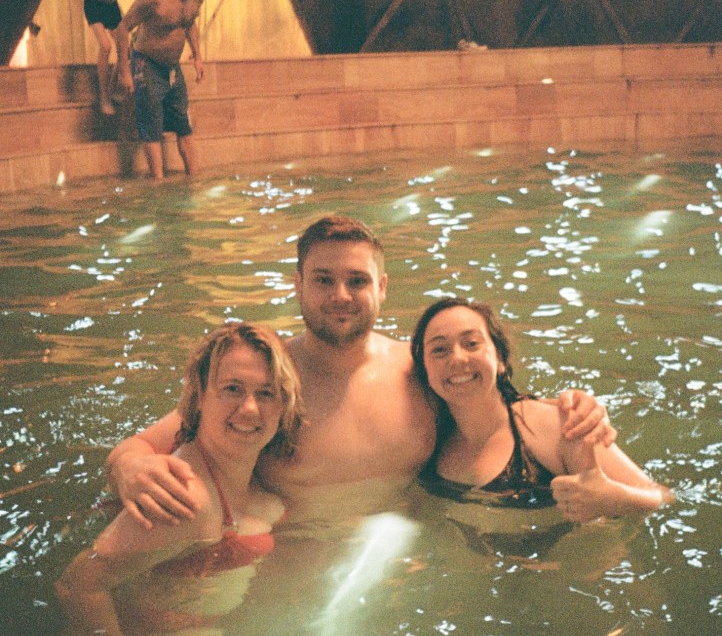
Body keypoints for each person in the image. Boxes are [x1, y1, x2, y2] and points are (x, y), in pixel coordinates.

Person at [105, 216, 616, 526]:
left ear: (383, 287)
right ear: (298, 284)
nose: (340, 296)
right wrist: (128, 466)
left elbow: (495, 406)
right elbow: (148, 444)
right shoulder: (266, 378)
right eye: (323, 280)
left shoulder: (421, 370)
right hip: (292, 560)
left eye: (356, 280)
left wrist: (578, 408)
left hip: (406, 555)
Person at [56, 322, 303, 636]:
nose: (249, 409)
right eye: (232, 389)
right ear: (199, 396)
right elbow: (77, 583)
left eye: (266, 393)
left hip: (198, 630)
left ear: (284, 405)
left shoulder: (249, 482)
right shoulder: (187, 495)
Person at [410, 297, 673, 520]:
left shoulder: (554, 424)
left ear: (500, 358)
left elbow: (661, 497)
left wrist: (611, 499)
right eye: (439, 350)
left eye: (471, 344)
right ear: (426, 371)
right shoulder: (427, 439)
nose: (457, 358)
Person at [116, 0, 205, 181]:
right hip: (147, 64)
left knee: (183, 124)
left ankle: (193, 179)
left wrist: (197, 56)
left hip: (172, 67)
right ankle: (157, 182)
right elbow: (123, 28)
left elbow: (189, 24)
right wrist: (125, 70)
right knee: (152, 126)